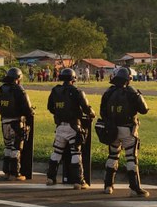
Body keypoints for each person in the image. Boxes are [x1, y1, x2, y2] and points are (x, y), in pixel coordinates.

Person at [99, 67, 150, 197]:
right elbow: (144, 109)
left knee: (112, 156)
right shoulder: (131, 92)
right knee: (131, 158)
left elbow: (102, 112)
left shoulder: (108, 92)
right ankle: (135, 188)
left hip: (112, 130)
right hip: (128, 130)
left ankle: (108, 185)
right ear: (128, 80)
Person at [45, 67, 95, 189]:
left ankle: (51, 178)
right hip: (74, 127)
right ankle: (79, 181)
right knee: (76, 152)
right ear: (73, 79)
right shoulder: (77, 92)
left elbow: (50, 107)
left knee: (57, 152)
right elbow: (86, 108)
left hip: (60, 126)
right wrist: (92, 113)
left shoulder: (55, 91)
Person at [0, 67, 34, 181]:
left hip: (4, 121)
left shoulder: (2, 89)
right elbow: (27, 107)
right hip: (16, 122)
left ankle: (6, 171)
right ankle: (16, 173)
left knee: (7, 146)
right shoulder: (19, 90)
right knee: (17, 147)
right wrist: (31, 112)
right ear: (18, 78)